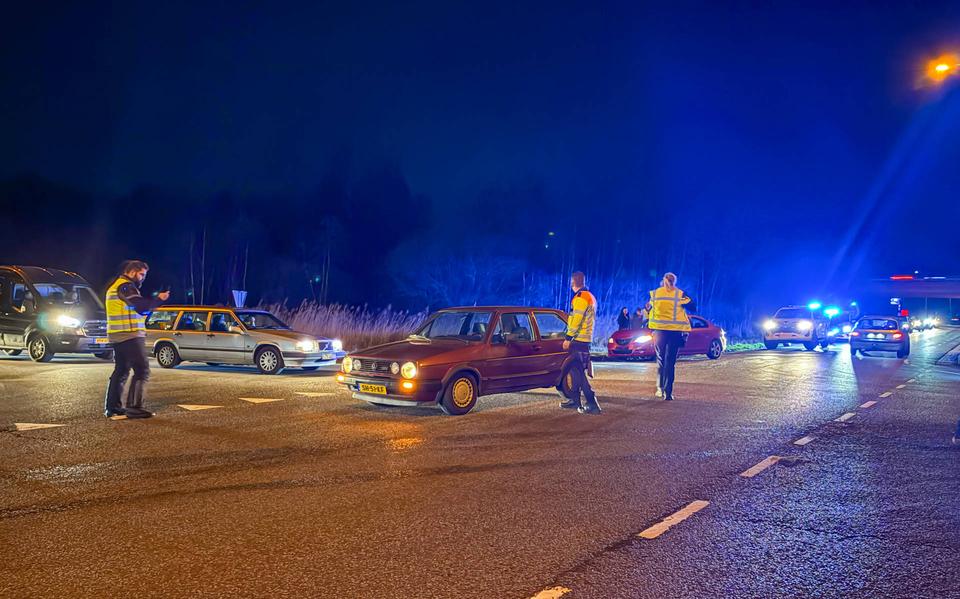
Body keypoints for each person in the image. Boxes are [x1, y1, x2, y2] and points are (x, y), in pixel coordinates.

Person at [103, 260, 169, 418]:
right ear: (132, 272)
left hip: (118, 334)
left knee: (121, 370)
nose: (143, 278)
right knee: (142, 370)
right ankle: (134, 407)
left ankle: (113, 407)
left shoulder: (116, 286)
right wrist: (159, 299)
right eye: (141, 274)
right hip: (129, 335)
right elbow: (140, 306)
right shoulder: (126, 286)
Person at [644, 272, 693, 401]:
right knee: (670, 362)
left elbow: (648, 308)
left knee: (661, 360)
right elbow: (693, 306)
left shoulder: (655, 294)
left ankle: (660, 388)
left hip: (660, 331)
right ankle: (668, 392)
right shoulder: (680, 294)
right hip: (675, 332)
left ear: (663, 280)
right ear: (674, 281)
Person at [559, 271, 601, 415]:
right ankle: (575, 401)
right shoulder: (590, 297)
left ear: (573, 282)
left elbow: (576, 320)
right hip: (585, 338)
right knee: (576, 371)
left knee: (577, 372)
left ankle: (591, 402)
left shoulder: (580, 298)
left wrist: (568, 338)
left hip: (578, 340)